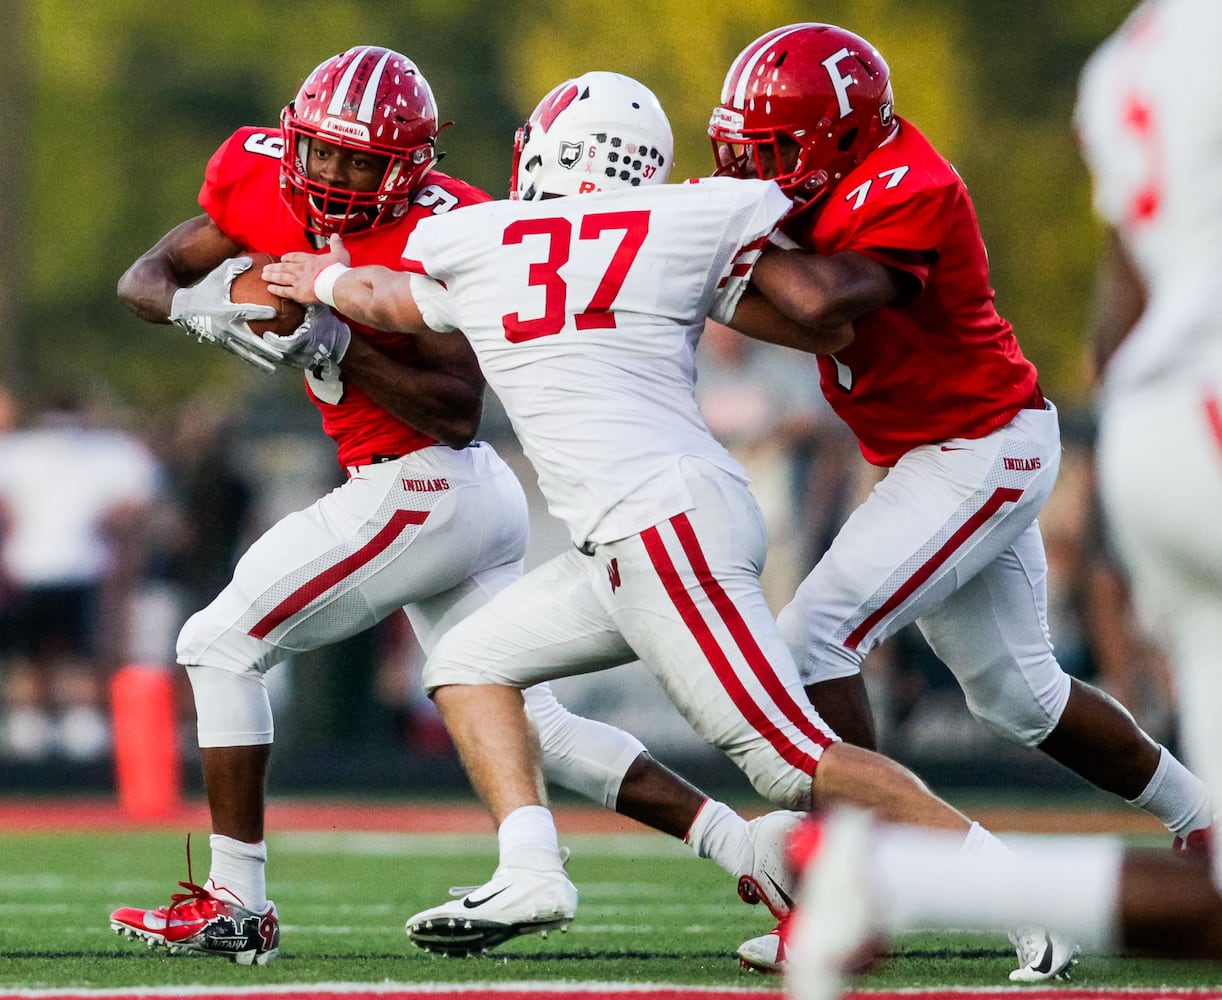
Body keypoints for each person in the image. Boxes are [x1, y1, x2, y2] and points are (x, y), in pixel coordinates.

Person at [266, 70, 1074, 981]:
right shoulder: (689, 218)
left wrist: (320, 275)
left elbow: (384, 299)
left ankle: (1026, 892)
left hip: (664, 528)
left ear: (542, 149)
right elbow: (819, 321)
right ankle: (531, 870)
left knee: (789, 761)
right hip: (641, 531)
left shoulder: (475, 235)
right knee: (466, 662)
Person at [107, 46, 808, 967]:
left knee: (217, 640)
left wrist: (335, 340)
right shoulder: (256, 171)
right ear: (296, 140)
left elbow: (456, 405)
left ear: (410, 166)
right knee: (534, 724)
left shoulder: (457, 229)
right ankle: (742, 844)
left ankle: (238, 902)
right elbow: (147, 275)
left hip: (425, 479)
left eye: (365, 163)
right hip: (448, 493)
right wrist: (203, 305)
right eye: (325, 155)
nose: (340, 178)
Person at [706, 21, 1211, 972]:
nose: (750, 173)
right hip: (937, 452)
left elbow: (820, 306)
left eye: (770, 153)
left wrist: (715, 267)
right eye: (739, 152)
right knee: (1023, 697)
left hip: (980, 450)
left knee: (813, 636)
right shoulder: (828, 176)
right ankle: (1205, 818)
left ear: (843, 137)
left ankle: (866, 886)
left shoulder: (912, 182)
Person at [0, 389, 161, 761]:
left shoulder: (20, 453)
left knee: (42, 655)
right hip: (73, 565)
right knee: (70, 654)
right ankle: (73, 728)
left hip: (37, 566)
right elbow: (135, 503)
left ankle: (44, 730)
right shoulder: (105, 453)